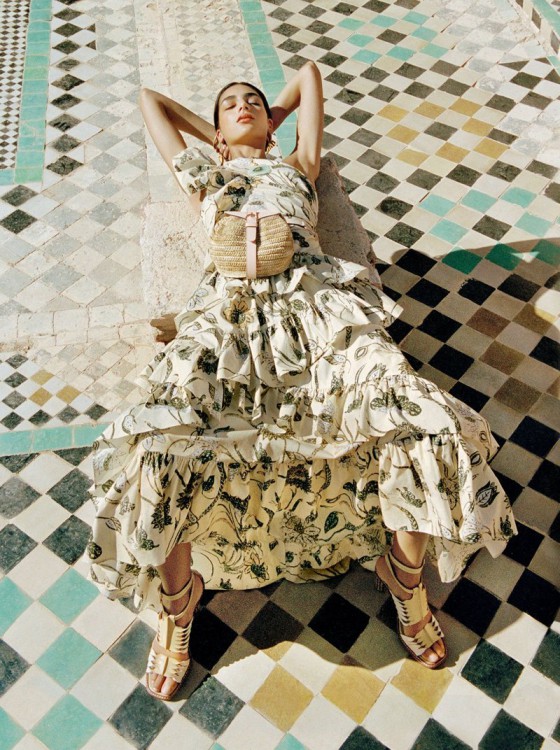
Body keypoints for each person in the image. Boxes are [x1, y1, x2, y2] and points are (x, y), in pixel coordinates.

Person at [86, 61, 516, 701]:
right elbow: (151, 100)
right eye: (230, 103)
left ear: (273, 121)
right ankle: (178, 610)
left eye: (254, 101)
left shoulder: (299, 165)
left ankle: (403, 580)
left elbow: (310, 75)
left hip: (320, 310)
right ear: (217, 133)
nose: (244, 105)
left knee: (422, 425)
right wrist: (220, 138)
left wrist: (266, 124)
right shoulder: (205, 175)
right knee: (158, 446)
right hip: (229, 320)